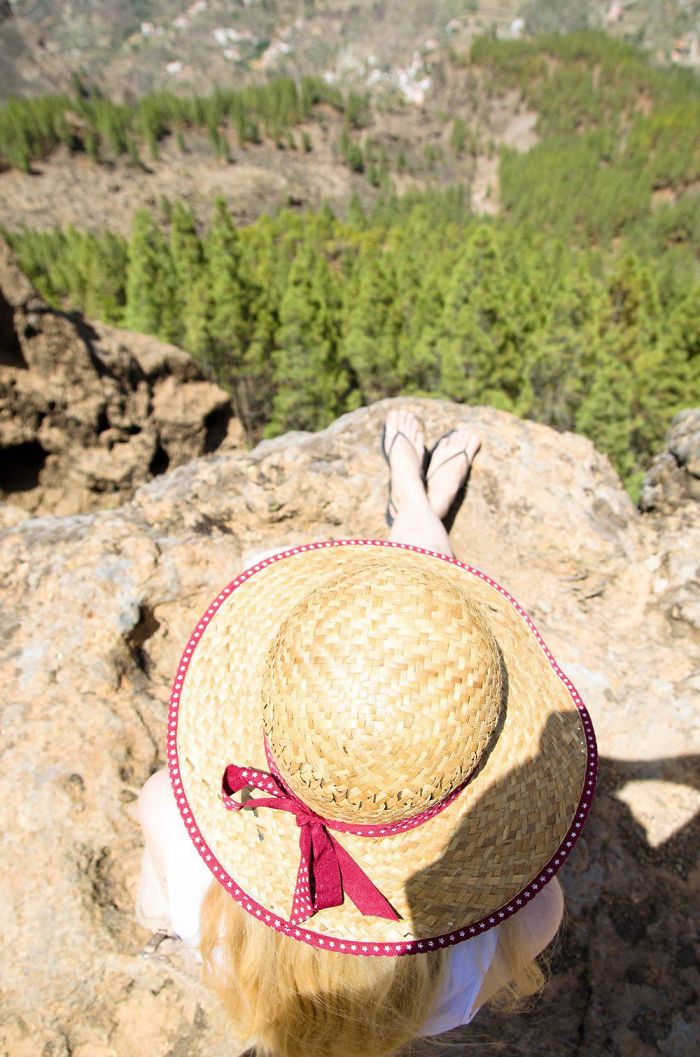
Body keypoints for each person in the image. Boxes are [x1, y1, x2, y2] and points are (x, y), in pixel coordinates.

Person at [136, 407, 596, 1057]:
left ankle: (413, 503)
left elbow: (163, 863)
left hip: (226, 927)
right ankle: (416, 506)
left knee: (296, 570)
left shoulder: (169, 811)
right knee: (429, 622)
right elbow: (533, 893)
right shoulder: (528, 920)